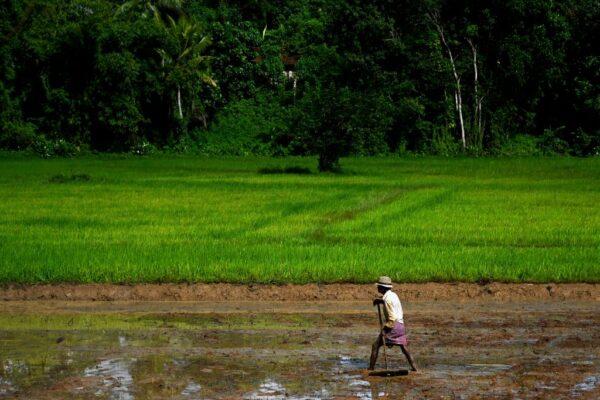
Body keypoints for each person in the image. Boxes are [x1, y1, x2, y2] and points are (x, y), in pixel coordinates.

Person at [368, 276, 417, 371]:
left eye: (378, 287)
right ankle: (415, 368)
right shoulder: (393, 295)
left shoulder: (387, 300)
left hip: (393, 326)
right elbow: (390, 304)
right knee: (404, 347)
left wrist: (384, 330)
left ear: (382, 288)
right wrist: (380, 301)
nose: (377, 288)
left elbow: (392, 318)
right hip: (401, 326)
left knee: (375, 345)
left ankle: (370, 369)